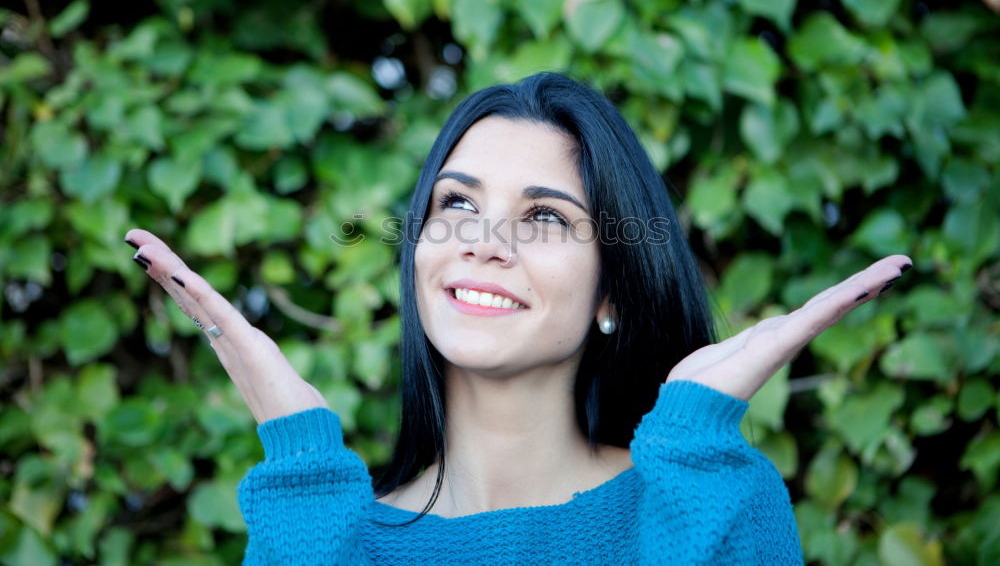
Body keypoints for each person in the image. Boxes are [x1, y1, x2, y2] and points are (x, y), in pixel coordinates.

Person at [124, 73, 910, 564]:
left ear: (612, 293)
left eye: (544, 218)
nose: (485, 244)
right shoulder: (328, 532)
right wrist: (298, 463)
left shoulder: (704, 502)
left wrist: (694, 449)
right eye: (457, 203)